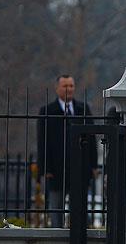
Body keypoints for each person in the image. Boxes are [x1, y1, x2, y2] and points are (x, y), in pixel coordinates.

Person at [36, 74, 98, 228]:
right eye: (65, 86)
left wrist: (94, 165)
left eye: (71, 86)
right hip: (56, 170)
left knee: (80, 209)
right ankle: (56, 237)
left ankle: (78, 237)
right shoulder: (47, 110)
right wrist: (45, 168)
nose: (69, 89)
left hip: (80, 168)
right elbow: (42, 142)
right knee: (56, 209)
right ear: (57, 89)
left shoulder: (83, 109)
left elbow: (92, 139)